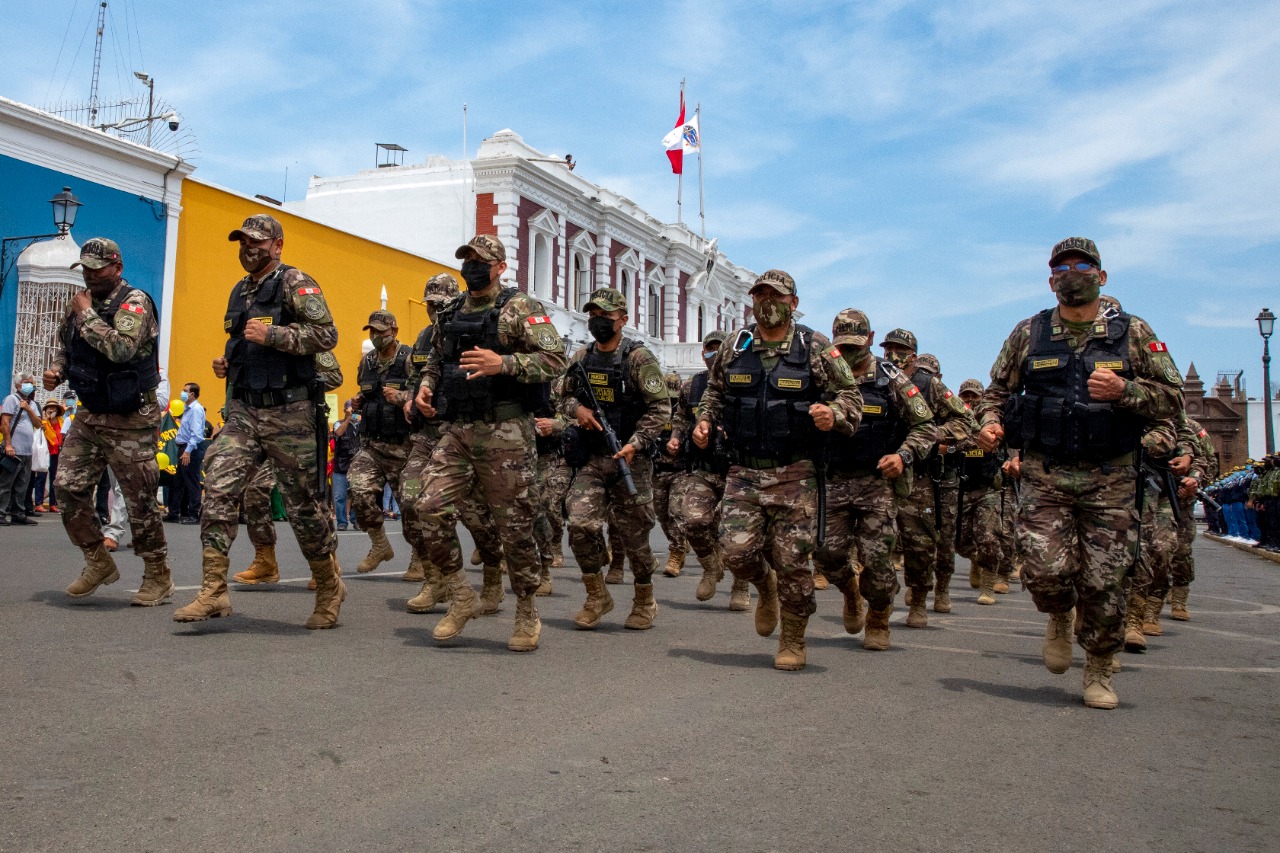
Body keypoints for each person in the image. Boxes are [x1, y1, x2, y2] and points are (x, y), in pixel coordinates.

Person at [976, 236, 1184, 709]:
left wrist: (1125, 390)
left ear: (1102, 277)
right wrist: (989, 424)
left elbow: (1174, 400)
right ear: (1051, 281)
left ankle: (1099, 670)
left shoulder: (1134, 333)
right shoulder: (1027, 334)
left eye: (1084, 265)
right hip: (1045, 474)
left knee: (1106, 581)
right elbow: (995, 393)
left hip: (1112, 477)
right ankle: (1057, 614)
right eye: (1063, 267)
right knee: (1045, 570)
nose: (1073, 272)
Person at [173, 213, 344, 628]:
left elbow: (327, 335)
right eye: (243, 242)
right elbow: (241, 341)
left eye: (257, 242)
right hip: (245, 412)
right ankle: (213, 591)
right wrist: (227, 362)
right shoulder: (240, 291)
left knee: (304, 509)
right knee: (216, 488)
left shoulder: (295, 282)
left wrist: (275, 337)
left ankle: (328, 587)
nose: (248, 249)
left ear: (277, 245)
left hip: (291, 413)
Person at [692, 269, 862, 670]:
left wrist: (833, 413)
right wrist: (704, 421)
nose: (767, 302)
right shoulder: (737, 344)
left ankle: (793, 638)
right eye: (760, 295)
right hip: (744, 470)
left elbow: (850, 397)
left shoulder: (816, 347)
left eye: (776, 296)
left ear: (793, 303)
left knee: (793, 562)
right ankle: (763, 587)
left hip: (795, 473)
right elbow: (715, 391)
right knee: (735, 552)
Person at [411, 235, 567, 651]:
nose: (472, 266)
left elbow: (556, 360)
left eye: (481, 260)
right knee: (426, 506)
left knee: (514, 527)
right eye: (467, 259)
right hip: (459, 429)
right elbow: (436, 359)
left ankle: (527, 609)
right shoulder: (451, 311)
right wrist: (425, 387)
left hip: (507, 432)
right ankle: (461, 595)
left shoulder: (521, 308)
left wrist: (506, 363)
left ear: (499, 266)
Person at [43, 237, 172, 604]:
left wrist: (86, 315)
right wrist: (56, 371)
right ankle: (97, 559)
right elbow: (66, 350)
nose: (89, 274)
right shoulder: (79, 307)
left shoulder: (135, 302)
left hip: (132, 415)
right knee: (67, 487)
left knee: (139, 500)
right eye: (84, 268)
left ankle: (157, 574)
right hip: (91, 412)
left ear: (117, 268)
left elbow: (121, 348)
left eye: (97, 268)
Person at [813, 310, 935, 650]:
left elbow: (925, 426)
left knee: (879, 561)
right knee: (825, 554)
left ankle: (879, 617)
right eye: (843, 346)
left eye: (856, 345)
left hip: (875, 482)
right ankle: (850, 591)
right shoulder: (821, 373)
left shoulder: (890, 378)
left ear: (869, 338)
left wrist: (903, 455)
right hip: (832, 480)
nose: (850, 353)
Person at [560, 287, 671, 631]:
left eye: (605, 316)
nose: (597, 321)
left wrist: (636, 443)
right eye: (593, 315)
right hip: (593, 458)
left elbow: (660, 408)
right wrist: (576, 409)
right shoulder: (580, 357)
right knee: (579, 524)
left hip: (630, 462)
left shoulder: (638, 359)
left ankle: (644, 600)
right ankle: (597, 596)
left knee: (634, 536)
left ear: (622, 320)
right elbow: (559, 396)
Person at [880, 330, 977, 624]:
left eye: (900, 349)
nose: (892, 354)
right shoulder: (877, 378)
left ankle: (920, 600)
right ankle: (880, 601)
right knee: (876, 543)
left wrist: (933, 435)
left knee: (919, 546)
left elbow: (966, 421)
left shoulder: (929, 385)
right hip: (880, 473)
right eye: (889, 349)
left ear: (913, 354)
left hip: (919, 478)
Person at [670, 330, 752, 610]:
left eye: (719, 349)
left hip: (736, 468)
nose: (713, 354)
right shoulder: (692, 386)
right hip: (703, 467)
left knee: (735, 534)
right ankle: (710, 566)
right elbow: (680, 417)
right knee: (692, 521)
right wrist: (678, 436)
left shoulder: (743, 381)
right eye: (709, 349)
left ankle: (741, 586)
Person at [349, 309, 416, 574]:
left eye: (381, 331)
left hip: (405, 447)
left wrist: (401, 398)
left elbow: (427, 392)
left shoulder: (409, 358)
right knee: (358, 489)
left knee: (411, 508)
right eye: (372, 332)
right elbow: (367, 391)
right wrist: (358, 400)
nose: (376, 336)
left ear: (394, 331)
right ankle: (379, 544)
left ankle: (420, 559)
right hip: (373, 445)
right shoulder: (366, 362)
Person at [0, 373, 42, 525]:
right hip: (13, 450)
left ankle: (18, 513)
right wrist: (9, 445)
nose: (29, 385)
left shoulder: (32, 403)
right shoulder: (12, 399)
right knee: (6, 484)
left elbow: (38, 424)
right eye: (26, 382)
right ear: (18, 385)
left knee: (22, 484)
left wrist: (29, 410)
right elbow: (5, 423)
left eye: (31, 382)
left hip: (27, 451)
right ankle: (1, 513)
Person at [168, 382, 206, 523]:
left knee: (192, 481)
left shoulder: (196, 409)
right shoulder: (187, 409)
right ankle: (174, 512)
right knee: (178, 481)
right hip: (184, 447)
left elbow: (196, 434)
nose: (182, 393)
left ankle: (193, 514)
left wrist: (188, 451)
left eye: (185, 391)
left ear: (192, 394)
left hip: (191, 448)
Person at [331, 397, 360, 530]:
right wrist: (347, 419)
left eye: (355, 411)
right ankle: (342, 522)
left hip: (357, 467)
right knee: (340, 496)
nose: (353, 413)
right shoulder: (338, 423)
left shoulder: (360, 425)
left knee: (357, 495)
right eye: (350, 410)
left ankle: (356, 520)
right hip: (341, 467)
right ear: (344, 410)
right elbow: (339, 433)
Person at [33, 398, 65, 513]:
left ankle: (53, 503)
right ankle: (39, 503)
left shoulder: (61, 421)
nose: (51, 409)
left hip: (57, 453)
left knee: (54, 479)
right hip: (45, 453)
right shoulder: (43, 421)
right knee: (41, 477)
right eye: (49, 407)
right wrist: (46, 419)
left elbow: (62, 435)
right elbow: (45, 432)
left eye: (54, 407)